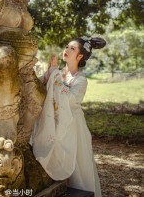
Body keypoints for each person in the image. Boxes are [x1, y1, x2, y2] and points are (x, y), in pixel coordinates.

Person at [32, 36, 106, 197]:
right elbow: (45, 91)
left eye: (72, 48)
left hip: (73, 123)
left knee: (78, 161)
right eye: (67, 46)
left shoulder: (81, 79)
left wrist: (54, 77)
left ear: (79, 56)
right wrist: (48, 76)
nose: (66, 49)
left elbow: (71, 99)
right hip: (56, 118)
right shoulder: (59, 72)